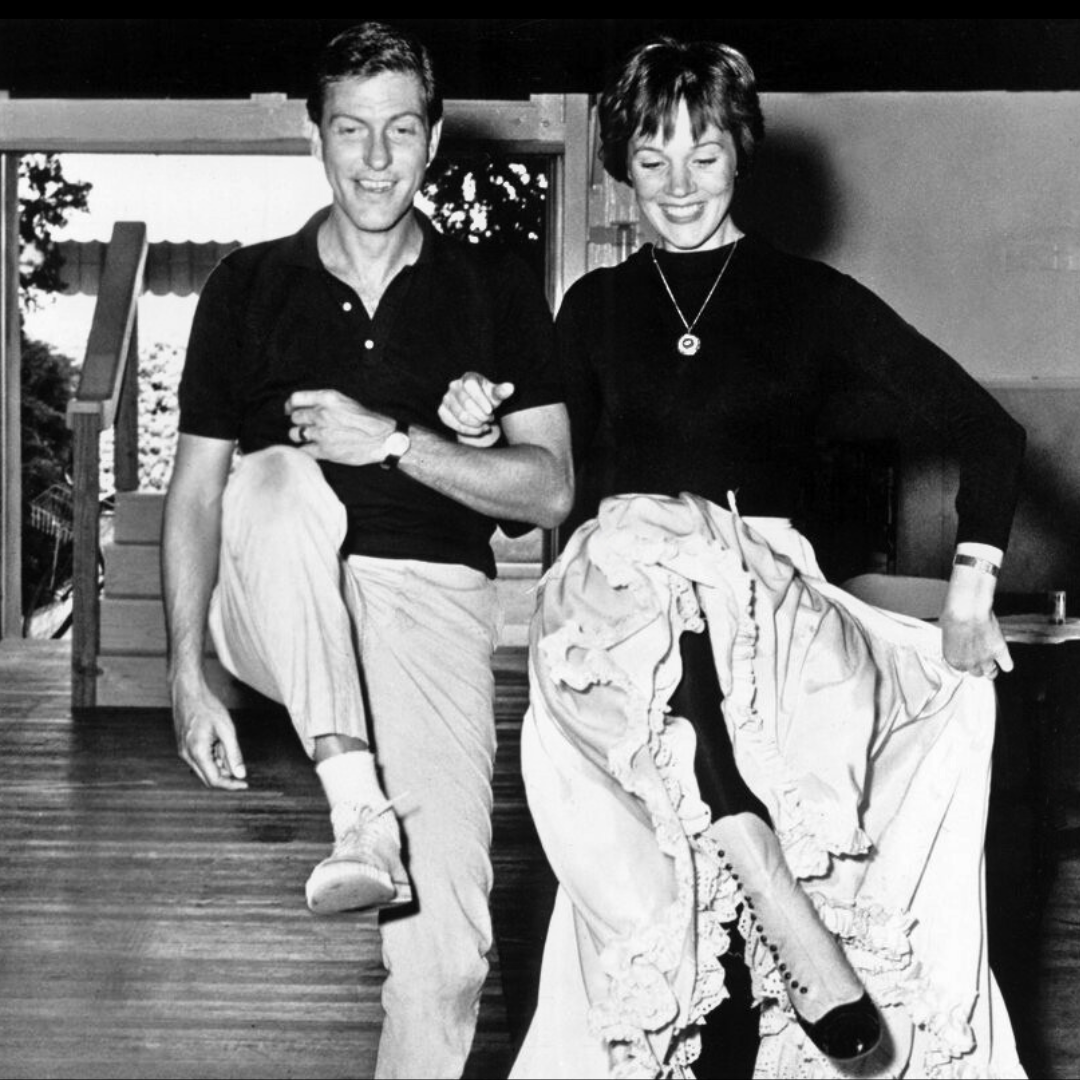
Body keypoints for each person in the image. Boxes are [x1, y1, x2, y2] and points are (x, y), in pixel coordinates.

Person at [439, 36, 1026, 1080]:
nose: (676, 183)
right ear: (620, 161)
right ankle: (749, 845)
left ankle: (753, 847)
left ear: (740, 155)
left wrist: (973, 589)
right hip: (622, 634)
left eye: (702, 155)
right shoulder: (595, 310)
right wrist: (478, 423)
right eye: (651, 156)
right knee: (637, 542)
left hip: (769, 621)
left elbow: (989, 434)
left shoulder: (810, 299)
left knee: (689, 556)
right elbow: (552, 485)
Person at [161, 21, 572, 1079]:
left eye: (400, 131)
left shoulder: (494, 290)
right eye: (352, 131)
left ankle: (379, 846)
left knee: (448, 958)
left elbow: (549, 490)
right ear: (318, 137)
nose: (377, 159)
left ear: (433, 140)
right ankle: (357, 805)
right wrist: (185, 673)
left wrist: (402, 443)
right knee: (284, 479)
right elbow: (199, 491)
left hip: (427, 598)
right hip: (272, 583)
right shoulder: (247, 287)